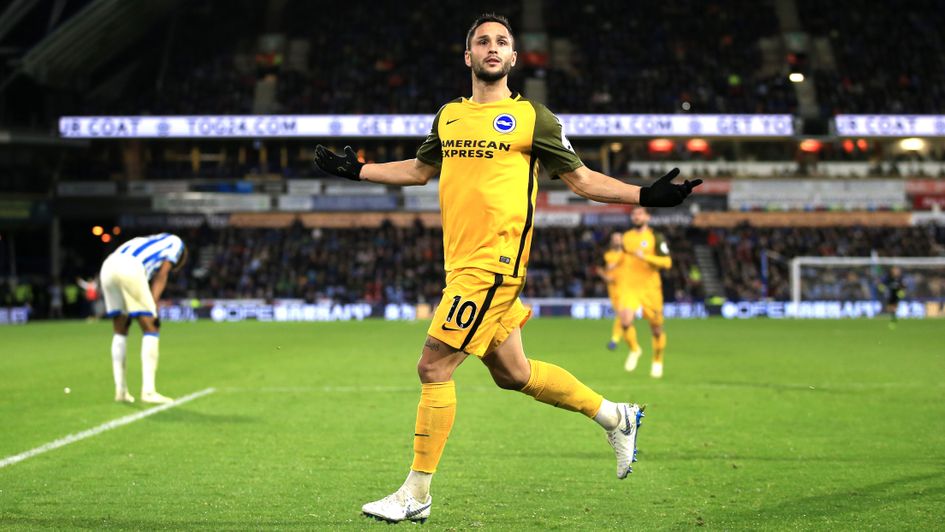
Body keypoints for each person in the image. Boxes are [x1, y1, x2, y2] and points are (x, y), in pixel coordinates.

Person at [314, 13, 701, 524]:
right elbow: (420, 170)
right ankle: (616, 416)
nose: (492, 48)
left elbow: (581, 180)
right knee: (514, 375)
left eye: (502, 42)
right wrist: (358, 169)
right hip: (462, 265)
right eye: (482, 41)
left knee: (433, 367)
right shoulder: (448, 116)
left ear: (514, 58)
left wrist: (645, 195)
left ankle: (416, 492)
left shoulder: (534, 118)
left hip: (494, 265)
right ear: (469, 56)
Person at [99, 233, 187, 404]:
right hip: (129, 267)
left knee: (120, 328)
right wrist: (153, 305)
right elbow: (163, 273)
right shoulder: (176, 242)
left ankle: (121, 391)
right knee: (151, 326)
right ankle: (148, 391)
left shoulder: (147, 241)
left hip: (108, 266)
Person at [620, 207, 672, 378]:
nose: (636, 216)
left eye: (640, 213)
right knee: (625, 321)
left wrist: (646, 257)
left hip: (650, 289)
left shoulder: (656, 237)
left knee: (656, 329)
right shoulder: (626, 237)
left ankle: (657, 360)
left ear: (647, 217)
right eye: (634, 214)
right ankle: (635, 349)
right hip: (630, 288)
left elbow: (667, 262)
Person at [599, 232, 640, 357]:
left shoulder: (628, 254)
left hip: (628, 289)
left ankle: (615, 339)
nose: (617, 241)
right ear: (612, 241)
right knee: (623, 318)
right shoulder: (607, 255)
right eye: (615, 239)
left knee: (623, 316)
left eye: (619, 238)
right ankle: (633, 347)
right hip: (613, 290)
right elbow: (599, 269)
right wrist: (606, 277)